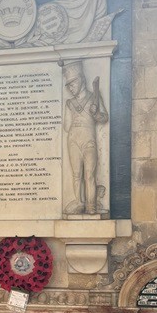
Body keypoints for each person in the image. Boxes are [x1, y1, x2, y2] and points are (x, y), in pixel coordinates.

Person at [63, 61, 108, 215]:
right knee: (76, 174)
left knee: (89, 174)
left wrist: (96, 113)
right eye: (68, 85)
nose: (70, 87)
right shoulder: (69, 103)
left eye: (72, 83)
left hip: (89, 140)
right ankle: (79, 201)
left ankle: (91, 206)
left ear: (81, 79)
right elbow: (66, 127)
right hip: (73, 139)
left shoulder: (93, 96)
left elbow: (104, 117)